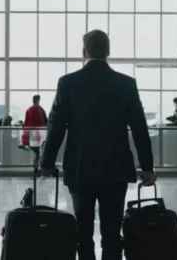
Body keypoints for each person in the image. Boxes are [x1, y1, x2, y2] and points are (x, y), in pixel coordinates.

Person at [40, 30, 156, 260]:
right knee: (112, 232)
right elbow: (140, 129)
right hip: (116, 169)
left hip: (80, 167)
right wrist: (148, 167)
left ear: (84, 52)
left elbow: (56, 126)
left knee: (82, 231)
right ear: (108, 53)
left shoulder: (68, 83)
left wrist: (47, 162)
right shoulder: (125, 84)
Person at [21, 95, 48, 166]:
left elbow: (26, 124)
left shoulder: (29, 110)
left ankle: (36, 168)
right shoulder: (40, 110)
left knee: (38, 152)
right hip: (40, 133)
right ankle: (37, 168)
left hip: (33, 133)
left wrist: (25, 139)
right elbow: (45, 122)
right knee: (40, 151)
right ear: (37, 101)